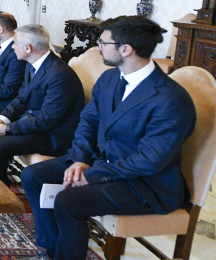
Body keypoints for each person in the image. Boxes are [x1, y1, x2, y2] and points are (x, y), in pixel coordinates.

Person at [21, 16, 196, 260]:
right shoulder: (110, 78)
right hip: (99, 161)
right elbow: (88, 121)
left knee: (69, 201)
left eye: (103, 43)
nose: (98, 48)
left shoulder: (171, 99)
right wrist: (80, 159)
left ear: (126, 49)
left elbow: (149, 160)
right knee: (33, 175)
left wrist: (91, 175)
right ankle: (52, 248)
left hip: (144, 183)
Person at [0, 24, 85, 186]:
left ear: (27, 48)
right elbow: (21, 98)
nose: (12, 47)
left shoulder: (60, 75)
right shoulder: (32, 64)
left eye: (15, 43)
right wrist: (2, 120)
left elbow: (47, 120)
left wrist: (7, 129)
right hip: (35, 124)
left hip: (53, 135)